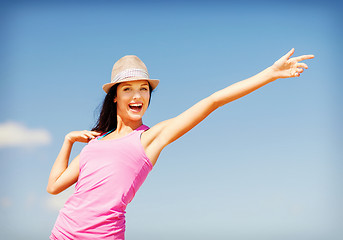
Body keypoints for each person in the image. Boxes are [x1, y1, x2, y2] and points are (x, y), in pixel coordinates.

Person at [47, 49, 314, 239]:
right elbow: (54, 186)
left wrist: (269, 73)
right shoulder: (96, 142)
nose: (137, 95)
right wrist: (68, 140)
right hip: (62, 232)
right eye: (127, 88)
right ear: (115, 96)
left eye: (143, 88)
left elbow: (213, 101)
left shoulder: (150, 138)